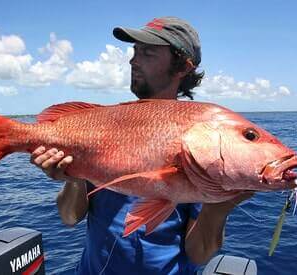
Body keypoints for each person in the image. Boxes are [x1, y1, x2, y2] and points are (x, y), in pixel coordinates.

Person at [30, 17, 252, 274]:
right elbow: (69, 217)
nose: (133, 60)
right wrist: (73, 176)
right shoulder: (104, 125)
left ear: (182, 66)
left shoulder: (201, 140)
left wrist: (219, 207)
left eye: (147, 52)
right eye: (135, 51)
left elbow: (198, 253)